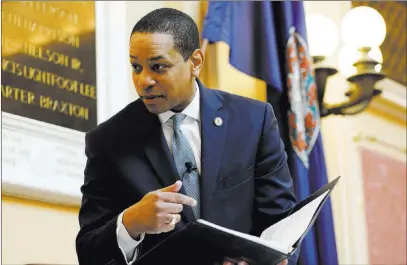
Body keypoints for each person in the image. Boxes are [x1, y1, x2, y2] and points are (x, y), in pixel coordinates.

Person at [76, 7, 299, 265]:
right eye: (136, 67)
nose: (143, 81)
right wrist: (131, 222)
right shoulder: (107, 141)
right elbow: (88, 253)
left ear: (195, 63)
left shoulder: (254, 120)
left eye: (158, 67)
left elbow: (282, 224)